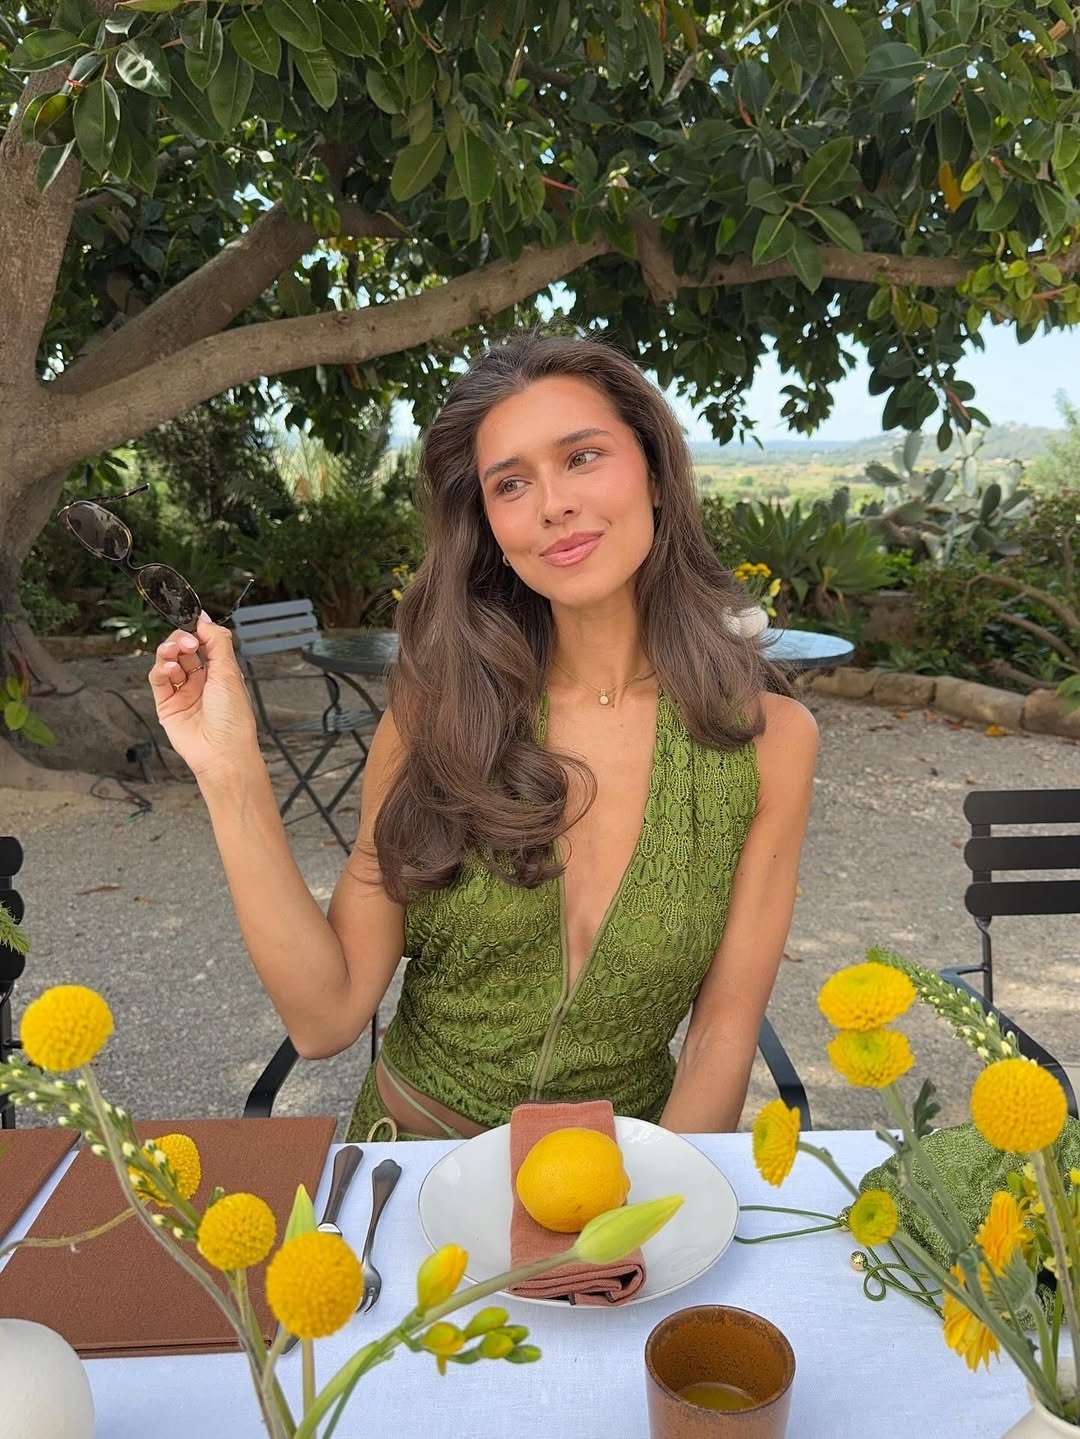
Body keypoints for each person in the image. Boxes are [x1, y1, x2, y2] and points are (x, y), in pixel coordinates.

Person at [148, 331, 819, 1141]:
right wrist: (230, 770)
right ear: (490, 525)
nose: (552, 503)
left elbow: (722, 1033)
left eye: (581, 457)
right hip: (411, 1173)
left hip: (621, 1188)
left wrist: (650, 1227)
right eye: (511, 483)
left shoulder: (770, 742)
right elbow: (325, 1019)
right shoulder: (438, 716)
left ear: (653, 470)